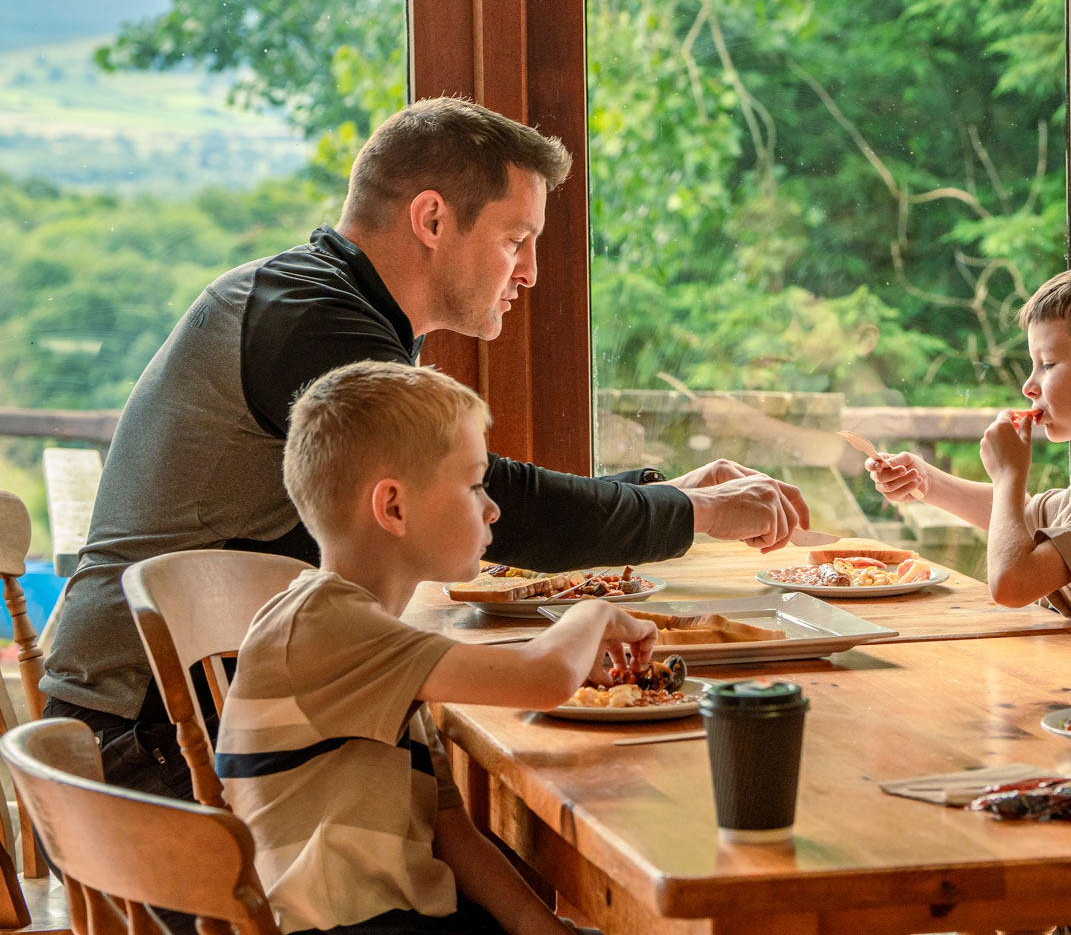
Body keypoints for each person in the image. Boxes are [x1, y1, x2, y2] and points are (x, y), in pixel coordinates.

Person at [42, 97, 808, 799]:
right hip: (157, 748)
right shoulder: (312, 320)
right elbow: (501, 509)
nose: (532, 272)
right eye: (517, 239)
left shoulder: (314, 300)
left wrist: (660, 491)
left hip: (187, 724)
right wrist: (688, 511)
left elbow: (470, 499)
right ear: (433, 219)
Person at [218, 359, 656, 935]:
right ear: (394, 508)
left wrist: (536, 923)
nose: (492, 508)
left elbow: (449, 825)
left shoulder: (370, 636)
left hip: (406, 914)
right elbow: (542, 676)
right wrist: (592, 612)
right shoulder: (321, 626)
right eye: (475, 484)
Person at [865, 264, 1071, 661]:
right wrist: (927, 481)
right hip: (1069, 694)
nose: (1028, 385)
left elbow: (1011, 584)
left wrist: (1009, 475)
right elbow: (1017, 517)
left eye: (1048, 364)